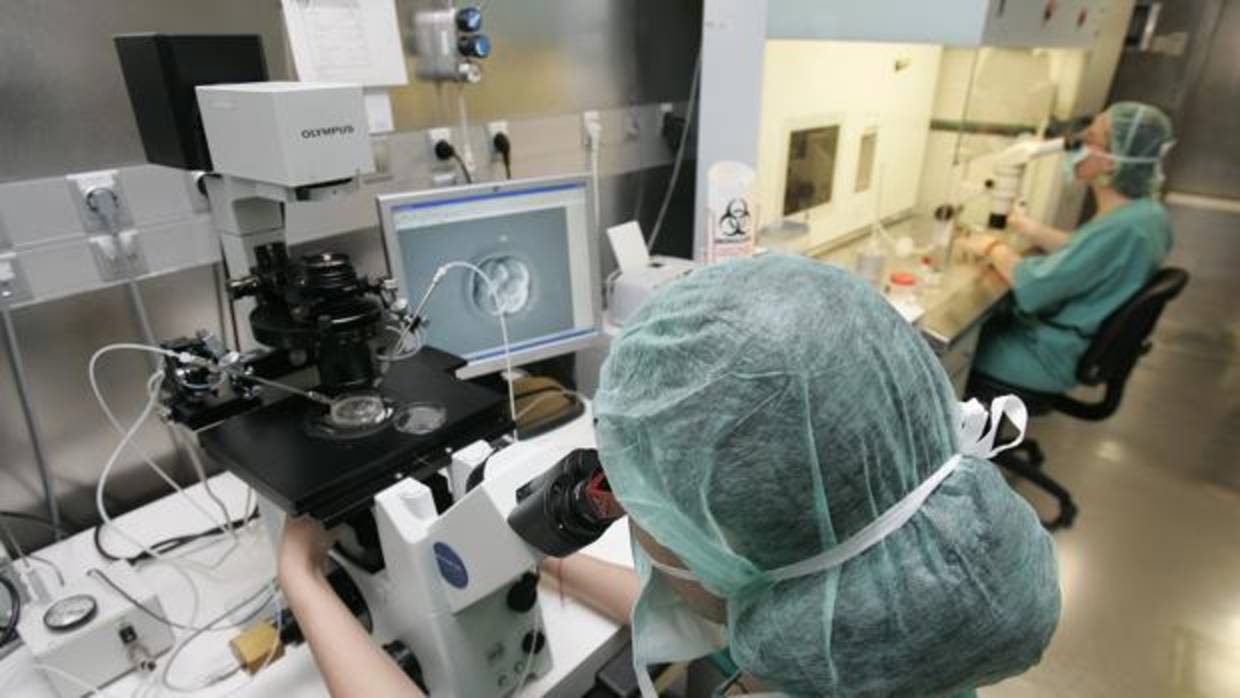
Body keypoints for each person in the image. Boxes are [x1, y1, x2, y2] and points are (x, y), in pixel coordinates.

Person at [280, 254, 1061, 697]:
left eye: (648, 498)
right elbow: (726, 617)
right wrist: (551, 558)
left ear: (730, 552)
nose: (622, 508)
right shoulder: (878, 620)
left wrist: (306, 584)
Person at [963, 102, 1176, 393]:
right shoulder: (1146, 215)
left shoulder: (1121, 229)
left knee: (943, 355)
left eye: (1090, 139)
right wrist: (1031, 228)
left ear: (1112, 161)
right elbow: (1089, 252)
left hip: (1044, 356)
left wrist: (993, 248)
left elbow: (1037, 286)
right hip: (1069, 347)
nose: (1077, 145)